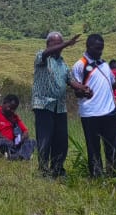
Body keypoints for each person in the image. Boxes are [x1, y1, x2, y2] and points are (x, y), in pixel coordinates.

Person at [72, 34, 116, 178]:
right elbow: (76, 91)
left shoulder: (104, 64)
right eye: (97, 48)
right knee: (93, 149)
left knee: (112, 148)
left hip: (109, 113)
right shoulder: (80, 65)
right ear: (88, 46)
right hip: (90, 114)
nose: (100, 52)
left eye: (101, 48)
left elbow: (113, 84)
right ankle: (97, 177)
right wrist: (84, 92)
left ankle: (113, 176)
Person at [32, 32, 89, 178]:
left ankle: (57, 169)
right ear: (48, 44)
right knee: (45, 139)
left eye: (60, 43)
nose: (59, 47)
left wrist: (83, 88)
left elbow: (71, 81)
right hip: (44, 105)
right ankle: (43, 170)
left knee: (61, 140)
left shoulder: (63, 63)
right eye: (55, 44)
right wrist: (67, 43)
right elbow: (46, 53)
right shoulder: (42, 57)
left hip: (60, 107)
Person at [0, 94, 31, 159]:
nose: (12, 110)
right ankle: (19, 155)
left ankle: (15, 156)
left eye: (14, 109)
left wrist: (21, 139)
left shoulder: (14, 116)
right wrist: (6, 139)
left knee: (30, 142)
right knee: (3, 142)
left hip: (13, 143)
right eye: (10, 107)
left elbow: (25, 131)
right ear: (4, 103)